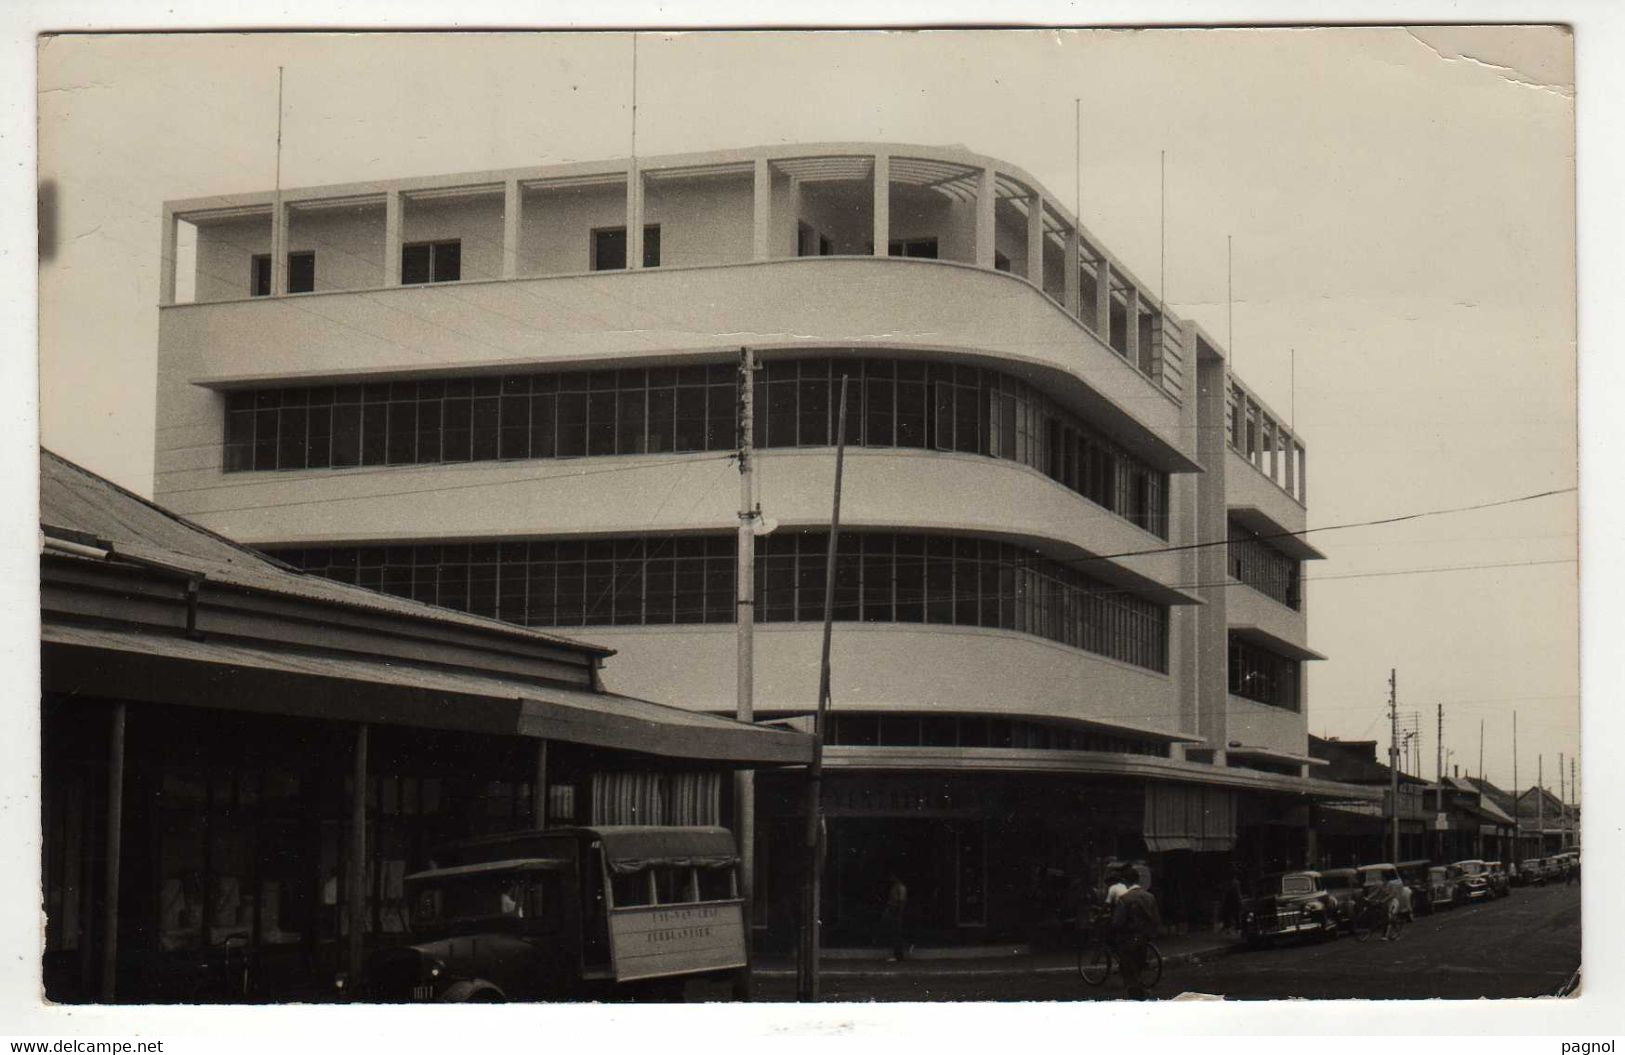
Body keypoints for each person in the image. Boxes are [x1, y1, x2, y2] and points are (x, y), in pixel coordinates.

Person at [1111, 866, 1161, 1000]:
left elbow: (1117, 922)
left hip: (1128, 938)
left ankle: (1137, 996)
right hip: (1144, 938)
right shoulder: (1150, 897)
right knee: (1138, 966)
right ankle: (1141, 994)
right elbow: (1156, 919)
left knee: (1129, 970)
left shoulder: (1125, 899)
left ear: (1125, 882)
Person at [882, 874, 909, 960]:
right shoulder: (894, 887)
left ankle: (899, 954)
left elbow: (901, 901)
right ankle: (897, 953)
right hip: (893, 910)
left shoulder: (901, 887)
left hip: (896, 911)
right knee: (894, 933)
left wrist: (899, 914)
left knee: (897, 933)